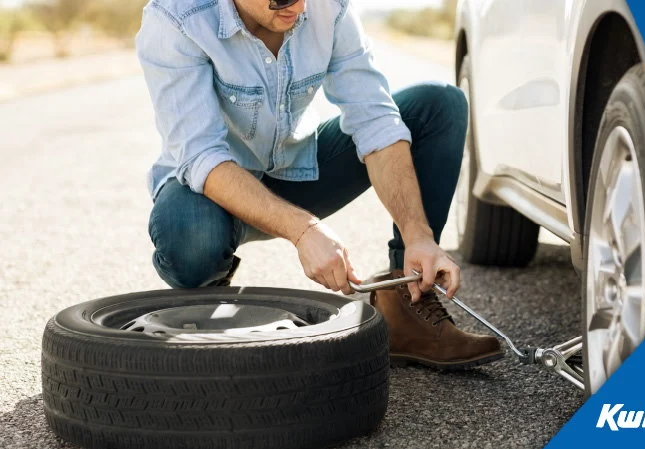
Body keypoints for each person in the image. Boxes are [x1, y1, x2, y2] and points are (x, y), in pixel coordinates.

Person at [136, 0, 502, 369]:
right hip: (211, 195)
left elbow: (374, 119)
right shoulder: (175, 18)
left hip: (297, 171)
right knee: (190, 234)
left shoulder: (329, 7)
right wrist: (304, 230)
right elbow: (202, 156)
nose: (299, 5)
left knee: (439, 104)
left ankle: (405, 298)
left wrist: (418, 234)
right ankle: (208, 296)